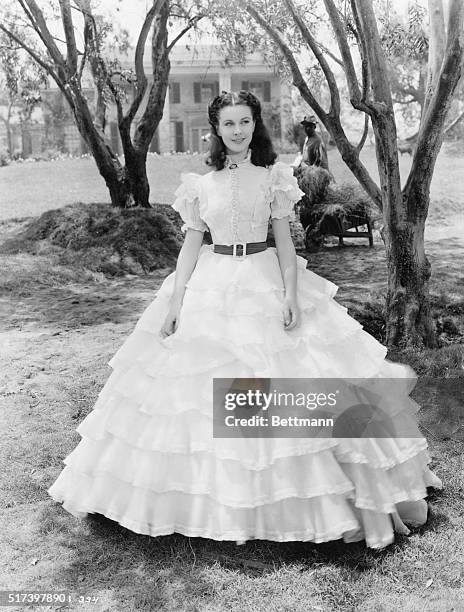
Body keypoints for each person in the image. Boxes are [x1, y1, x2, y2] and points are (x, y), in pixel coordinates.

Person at [47, 90, 441, 550]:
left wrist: (291, 295)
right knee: (191, 394)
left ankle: (311, 497)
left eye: (245, 122)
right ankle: (209, 502)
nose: (237, 131)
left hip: (264, 276)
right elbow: (191, 245)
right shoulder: (199, 184)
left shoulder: (274, 178)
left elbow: (286, 244)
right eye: (229, 123)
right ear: (216, 129)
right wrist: (175, 303)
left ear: (256, 125)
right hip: (211, 284)